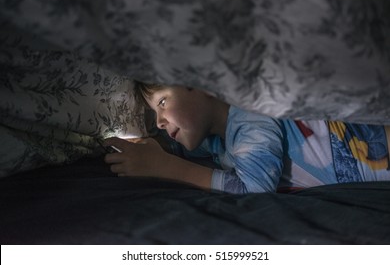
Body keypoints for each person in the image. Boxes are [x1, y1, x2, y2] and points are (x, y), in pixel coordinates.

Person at [103, 82, 390, 194]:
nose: (159, 121)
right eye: (154, 111)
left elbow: (255, 189)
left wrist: (165, 167)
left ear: (199, 84)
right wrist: (156, 146)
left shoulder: (249, 116)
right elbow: (188, 149)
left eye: (163, 102)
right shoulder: (215, 138)